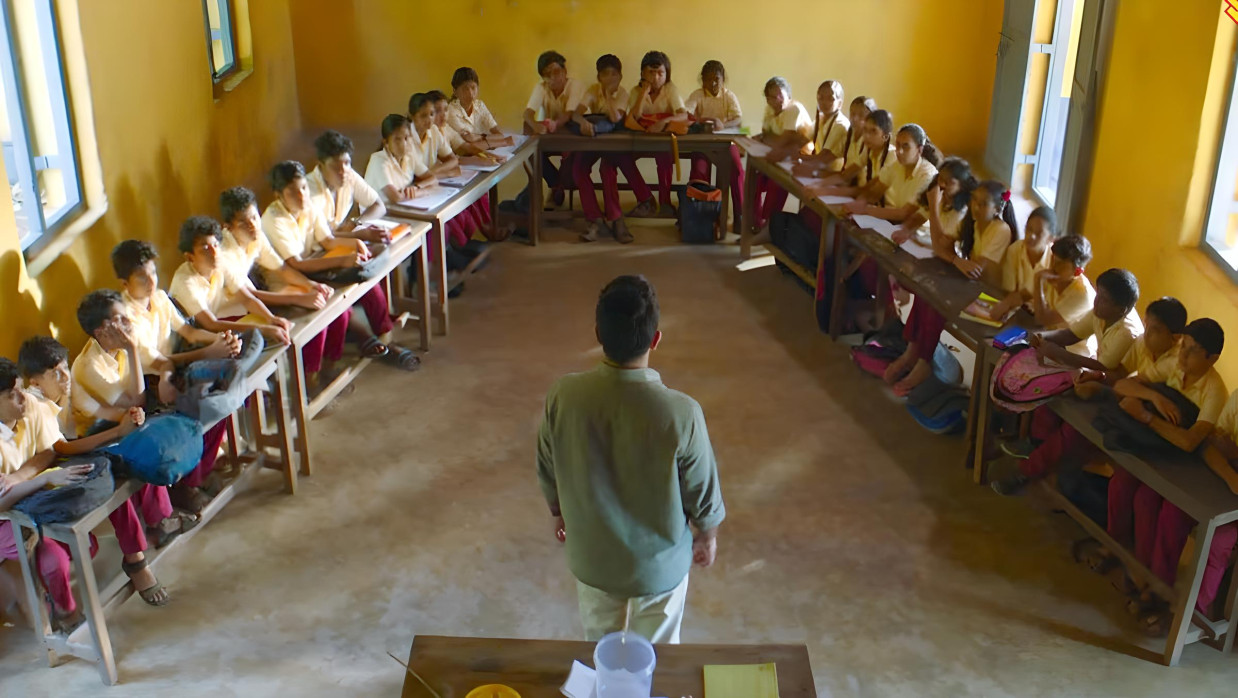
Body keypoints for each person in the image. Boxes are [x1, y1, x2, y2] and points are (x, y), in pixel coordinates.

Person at [536, 275, 725, 643]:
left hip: (593, 558)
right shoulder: (681, 413)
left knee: (599, 642)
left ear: (598, 334)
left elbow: (547, 463)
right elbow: (702, 490)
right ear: (656, 339)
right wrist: (707, 536)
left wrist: (559, 511)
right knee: (657, 653)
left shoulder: (564, 396)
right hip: (658, 569)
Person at [0, 355, 165, 629]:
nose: (22, 397)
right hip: (8, 518)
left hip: (39, 492)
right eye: (11, 395)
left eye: (19, 388)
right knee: (54, 561)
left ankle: (136, 561)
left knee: (104, 483)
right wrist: (42, 478)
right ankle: (65, 612)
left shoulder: (31, 407)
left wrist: (21, 476)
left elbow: (52, 450)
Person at [264, 160, 421, 369]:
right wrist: (342, 259)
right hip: (289, 279)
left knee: (369, 284)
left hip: (316, 265)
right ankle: (323, 368)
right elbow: (297, 264)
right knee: (336, 308)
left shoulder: (307, 204)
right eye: (292, 192)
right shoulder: (273, 219)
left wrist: (356, 242)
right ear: (278, 196)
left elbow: (328, 241)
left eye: (303, 188)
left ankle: (386, 338)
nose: (301, 195)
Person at [71, 291, 198, 544]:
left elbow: (161, 364)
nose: (128, 322)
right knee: (143, 445)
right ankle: (157, 524)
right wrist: (131, 349)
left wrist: (162, 377)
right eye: (120, 319)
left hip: (125, 420)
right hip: (95, 438)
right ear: (102, 331)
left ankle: (169, 507)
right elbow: (136, 401)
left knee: (161, 424)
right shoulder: (89, 366)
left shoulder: (122, 343)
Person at [883, 180, 1020, 394]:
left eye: (983, 204)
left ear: (997, 209)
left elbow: (975, 271)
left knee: (939, 300)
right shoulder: (972, 222)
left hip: (993, 302)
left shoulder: (1000, 230)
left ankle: (924, 362)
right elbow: (940, 247)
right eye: (974, 200)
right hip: (974, 288)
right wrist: (934, 208)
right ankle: (912, 352)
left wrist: (957, 260)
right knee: (927, 291)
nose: (975, 207)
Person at [219, 186, 352, 397]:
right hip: (230, 321)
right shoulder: (224, 253)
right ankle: (308, 385)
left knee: (333, 308)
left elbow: (281, 268)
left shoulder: (255, 236)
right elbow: (250, 296)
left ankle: (325, 371)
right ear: (228, 227)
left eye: (254, 217)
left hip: (252, 308)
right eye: (243, 223)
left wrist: (311, 285)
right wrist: (300, 298)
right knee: (309, 318)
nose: (252, 226)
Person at [111, 240, 241, 403]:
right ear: (125, 284)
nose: (151, 282)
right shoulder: (126, 319)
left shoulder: (159, 297)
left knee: (241, 347)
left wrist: (221, 339)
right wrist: (210, 352)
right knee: (222, 374)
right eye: (142, 278)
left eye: (153, 273)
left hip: (175, 363)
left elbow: (189, 332)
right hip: (153, 381)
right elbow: (161, 362)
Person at [571, 53, 646, 244]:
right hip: (595, 137)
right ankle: (595, 220)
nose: (610, 78)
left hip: (614, 140)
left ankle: (616, 219)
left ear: (620, 76)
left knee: (607, 168)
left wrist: (606, 95)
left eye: (614, 74)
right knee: (579, 169)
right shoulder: (592, 89)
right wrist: (582, 123)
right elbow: (576, 114)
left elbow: (615, 118)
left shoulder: (622, 93)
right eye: (605, 74)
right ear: (599, 77)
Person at [625, 51, 689, 215]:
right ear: (642, 73)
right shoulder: (635, 91)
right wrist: (643, 94)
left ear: (667, 75)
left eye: (660, 73)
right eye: (651, 72)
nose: (655, 78)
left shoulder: (670, 89)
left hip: (661, 140)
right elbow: (634, 117)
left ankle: (665, 202)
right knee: (623, 158)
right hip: (640, 138)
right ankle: (645, 199)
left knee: (665, 158)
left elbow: (684, 115)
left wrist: (664, 121)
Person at [840, 123, 941, 223]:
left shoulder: (927, 175)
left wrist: (865, 209)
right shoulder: (897, 165)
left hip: (917, 230)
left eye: (906, 146)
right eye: (898, 145)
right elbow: (874, 193)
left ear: (919, 150)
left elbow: (904, 213)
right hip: (897, 225)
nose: (899, 151)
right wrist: (858, 203)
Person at [523, 50, 586, 208]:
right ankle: (556, 184)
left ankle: (558, 187)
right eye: (547, 74)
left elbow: (570, 114)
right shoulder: (541, 87)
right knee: (530, 152)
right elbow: (527, 113)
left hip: (574, 135)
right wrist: (536, 125)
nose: (552, 77)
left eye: (556, 72)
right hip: (552, 136)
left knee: (572, 159)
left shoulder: (575, 85)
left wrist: (555, 124)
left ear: (564, 72)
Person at [750, 76, 814, 232]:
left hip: (799, 159)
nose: (776, 100)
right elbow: (766, 134)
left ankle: (768, 225)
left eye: (780, 95)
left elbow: (784, 140)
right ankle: (755, 222)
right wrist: (765, 139)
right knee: (754, 179)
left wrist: (768, 140)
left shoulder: (794, 109)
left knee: (776, 183)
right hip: (779, 157)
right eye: (771, 97)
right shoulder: (770, 110)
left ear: (788, 95)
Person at [685, 60, 745, 226]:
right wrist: (707, 119)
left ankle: (739, 214)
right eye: (708, 79)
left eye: (716, 79)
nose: (712, 84)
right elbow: (687, 114)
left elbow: (738, 119)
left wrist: (723, 125)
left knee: (736, 169)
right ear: (702, 80)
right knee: (699, 171)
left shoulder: (729, 96)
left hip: (725, 144)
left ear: (723, 79)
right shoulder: (697, 95)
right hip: (703, 144)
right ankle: (699, 214)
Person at [305, 130, 389, 241]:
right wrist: (357, 235)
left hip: (338, 242)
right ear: (321, 165)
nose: (343, 171)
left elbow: (379, 206)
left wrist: (356, 223)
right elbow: (317, 238)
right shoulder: (307, 189)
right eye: (335, 166)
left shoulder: (349, 175)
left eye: (347, 163)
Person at [984, 206, 1064, 322]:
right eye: (1029, 229)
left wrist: (1020, 297)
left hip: (1043, 317)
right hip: (1017, 311)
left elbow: (1049, 303)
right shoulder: (1015, 250)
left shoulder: (1055, 261)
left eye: (1039, 233)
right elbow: (1009, 290)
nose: (1031, 236)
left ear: (1051, 239)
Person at [447, 66, 511, 147]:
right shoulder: (451, 110)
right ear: (455, 91)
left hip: (481, 149)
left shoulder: (480, 105)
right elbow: (468, 142)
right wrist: (491, 139)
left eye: (473, 88)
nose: (470, 93)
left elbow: (500, 135)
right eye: (465, 89)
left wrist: (480, 137)